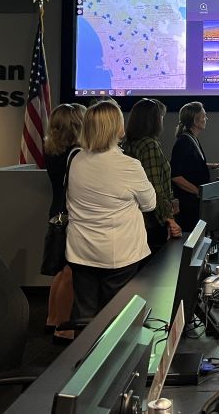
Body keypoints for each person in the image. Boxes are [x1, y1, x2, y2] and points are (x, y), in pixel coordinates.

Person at [66, 100, 156, 319]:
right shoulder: (128, 165)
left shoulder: (76, 159)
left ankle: (82, 354)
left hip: (81, 251)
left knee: (84, 316)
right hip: (118, 254)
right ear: (115, 127)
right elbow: (150, 203)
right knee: (115, 317)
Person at [43, 103, 84, 343]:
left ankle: (52, 318)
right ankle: (63, 326)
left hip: (57, 210)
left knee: (60, 270)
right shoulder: (75, 154)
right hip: (70, 212)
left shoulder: (53, 150)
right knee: (70, 271)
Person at [123, 98, 181, 254]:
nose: (162, 120)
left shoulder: (128, 143)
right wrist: (169, 219)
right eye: (161, 117)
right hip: (153, 222)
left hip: (135, 219)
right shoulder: (149, 145)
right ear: (153, 120)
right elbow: (155, 187)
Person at [170, 101, 219, 232]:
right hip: (188, 204)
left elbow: (194, 165)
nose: (206, 119)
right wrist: (197, 191)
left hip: (194, 202)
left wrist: (218, 165)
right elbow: (175, 175)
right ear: (195, 120)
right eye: (204, 116)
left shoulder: (192, 139)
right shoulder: (184, 142)